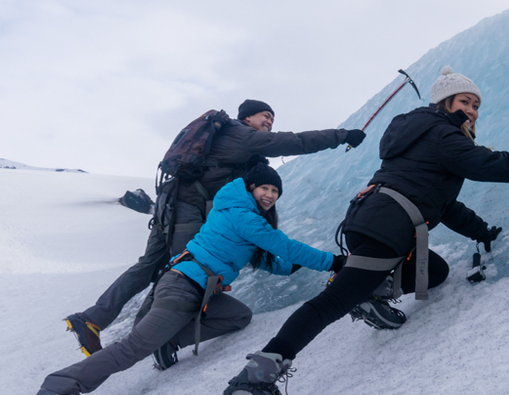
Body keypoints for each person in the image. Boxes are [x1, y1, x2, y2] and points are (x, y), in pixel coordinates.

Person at [219, 66, 509, 395]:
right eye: (465, 101)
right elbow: (489, 164)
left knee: (433, 272)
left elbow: (443, 204)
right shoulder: (442, 133)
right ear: (445, 102)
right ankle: (255, 379)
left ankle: (369, 294)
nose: (472, 110)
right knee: (332, 302)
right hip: (387, 226)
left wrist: (480, 231)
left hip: (373, 219)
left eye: (477, 105)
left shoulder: (423, 134)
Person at [19, 161, 347, 395]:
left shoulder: (243, 218)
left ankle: (170, 341)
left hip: (200, 291)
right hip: (182, 287)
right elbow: (284, 246)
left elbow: (266, 257)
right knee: (131, 349)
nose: (270, 195)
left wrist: (290, 269)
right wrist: (333, 262)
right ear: (250, 188)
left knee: (238, 316)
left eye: (275, 191)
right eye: (265, 188)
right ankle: (51, 393)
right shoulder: (240, 214)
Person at [64, 99, 366, 357]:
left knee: (151, 265)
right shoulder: (241, 133)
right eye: (265, 117)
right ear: (247, 117)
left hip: (171, 202)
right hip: (187, 207)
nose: (269, 123)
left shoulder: (231, 142)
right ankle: (146, 339)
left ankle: (92, 319)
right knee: (182, 268)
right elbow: (292, 142)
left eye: (272, 119)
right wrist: (341, 136)